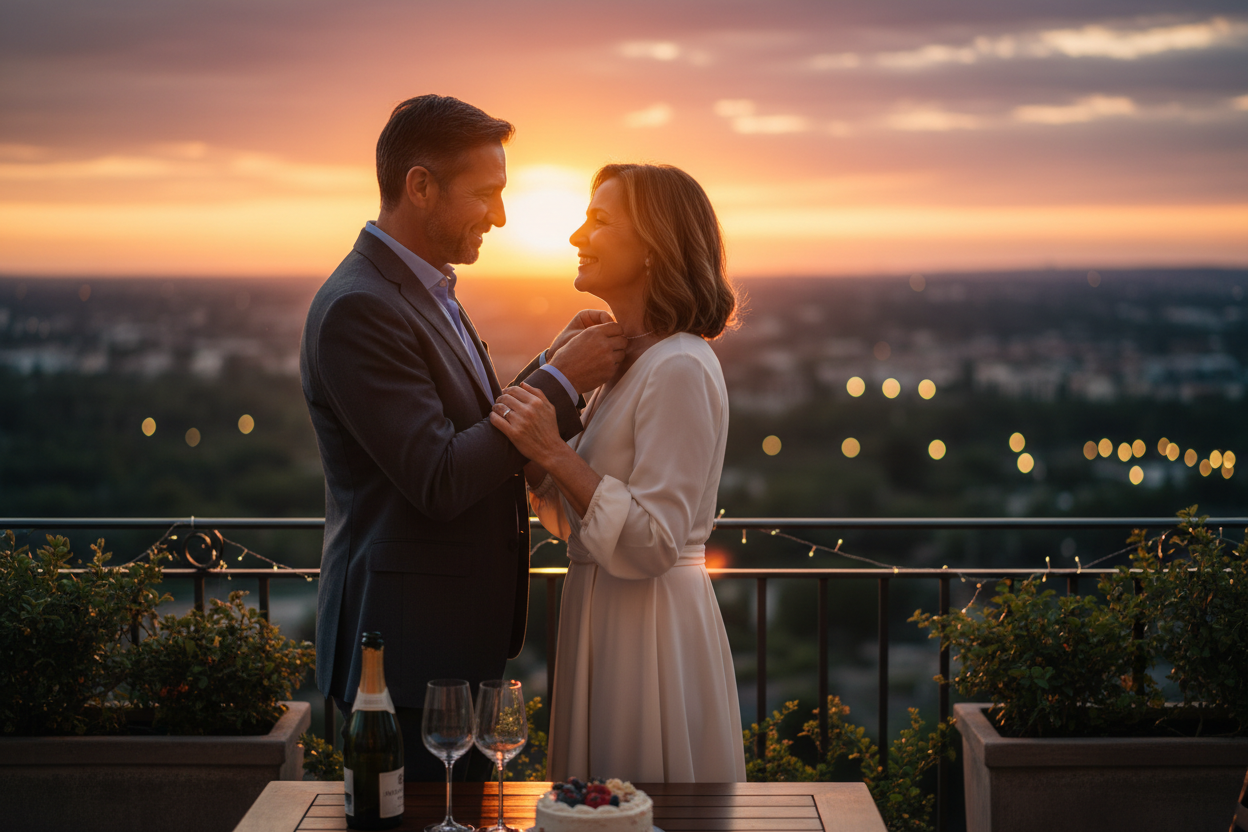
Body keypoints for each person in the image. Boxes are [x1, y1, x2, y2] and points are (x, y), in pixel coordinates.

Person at [299, 95, 625, 781]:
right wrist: (561, 383)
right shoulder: (361, 307)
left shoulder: (422, 290)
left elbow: (475, 424)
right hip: (403, 659)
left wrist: (545, 365)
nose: (501, 217)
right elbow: (441, 475)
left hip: (445, 647)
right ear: (420, 186)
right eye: (486, 194)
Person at [490, 163, 748, 782]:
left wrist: (555, 453)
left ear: (655, 246)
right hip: (604, 611)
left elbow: (655, 540)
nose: (577, 236)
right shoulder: (624, 366)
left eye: (600, 221)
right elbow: (574, 513)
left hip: (650, 628)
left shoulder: (679, 366)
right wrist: (549, 390)